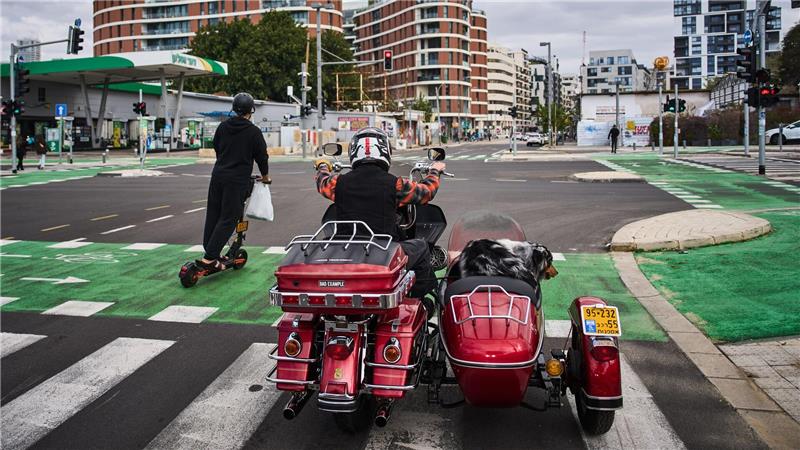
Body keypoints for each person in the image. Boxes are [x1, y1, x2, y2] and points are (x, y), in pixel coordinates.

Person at [313, 127, 445, 303]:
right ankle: (420, 301)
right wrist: (434, 171)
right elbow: (426, 192)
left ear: (354, 152)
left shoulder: (338, 183)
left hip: (346, 250)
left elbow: (322, 182)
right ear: (385, 151)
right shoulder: (395, 184)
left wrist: (323, 166)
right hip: (383, 252)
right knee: (421, 247)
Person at [199, 92, 270, 271]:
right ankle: (209, 258)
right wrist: (266, 176)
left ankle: (210, 250)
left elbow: (217, 146)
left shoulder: (222, 127)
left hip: (218, 175)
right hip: (237, 180)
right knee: (230, 218)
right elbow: (262, 156)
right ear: (251, 110)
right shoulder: (253, 132)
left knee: (214, 213)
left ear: (233, 109)